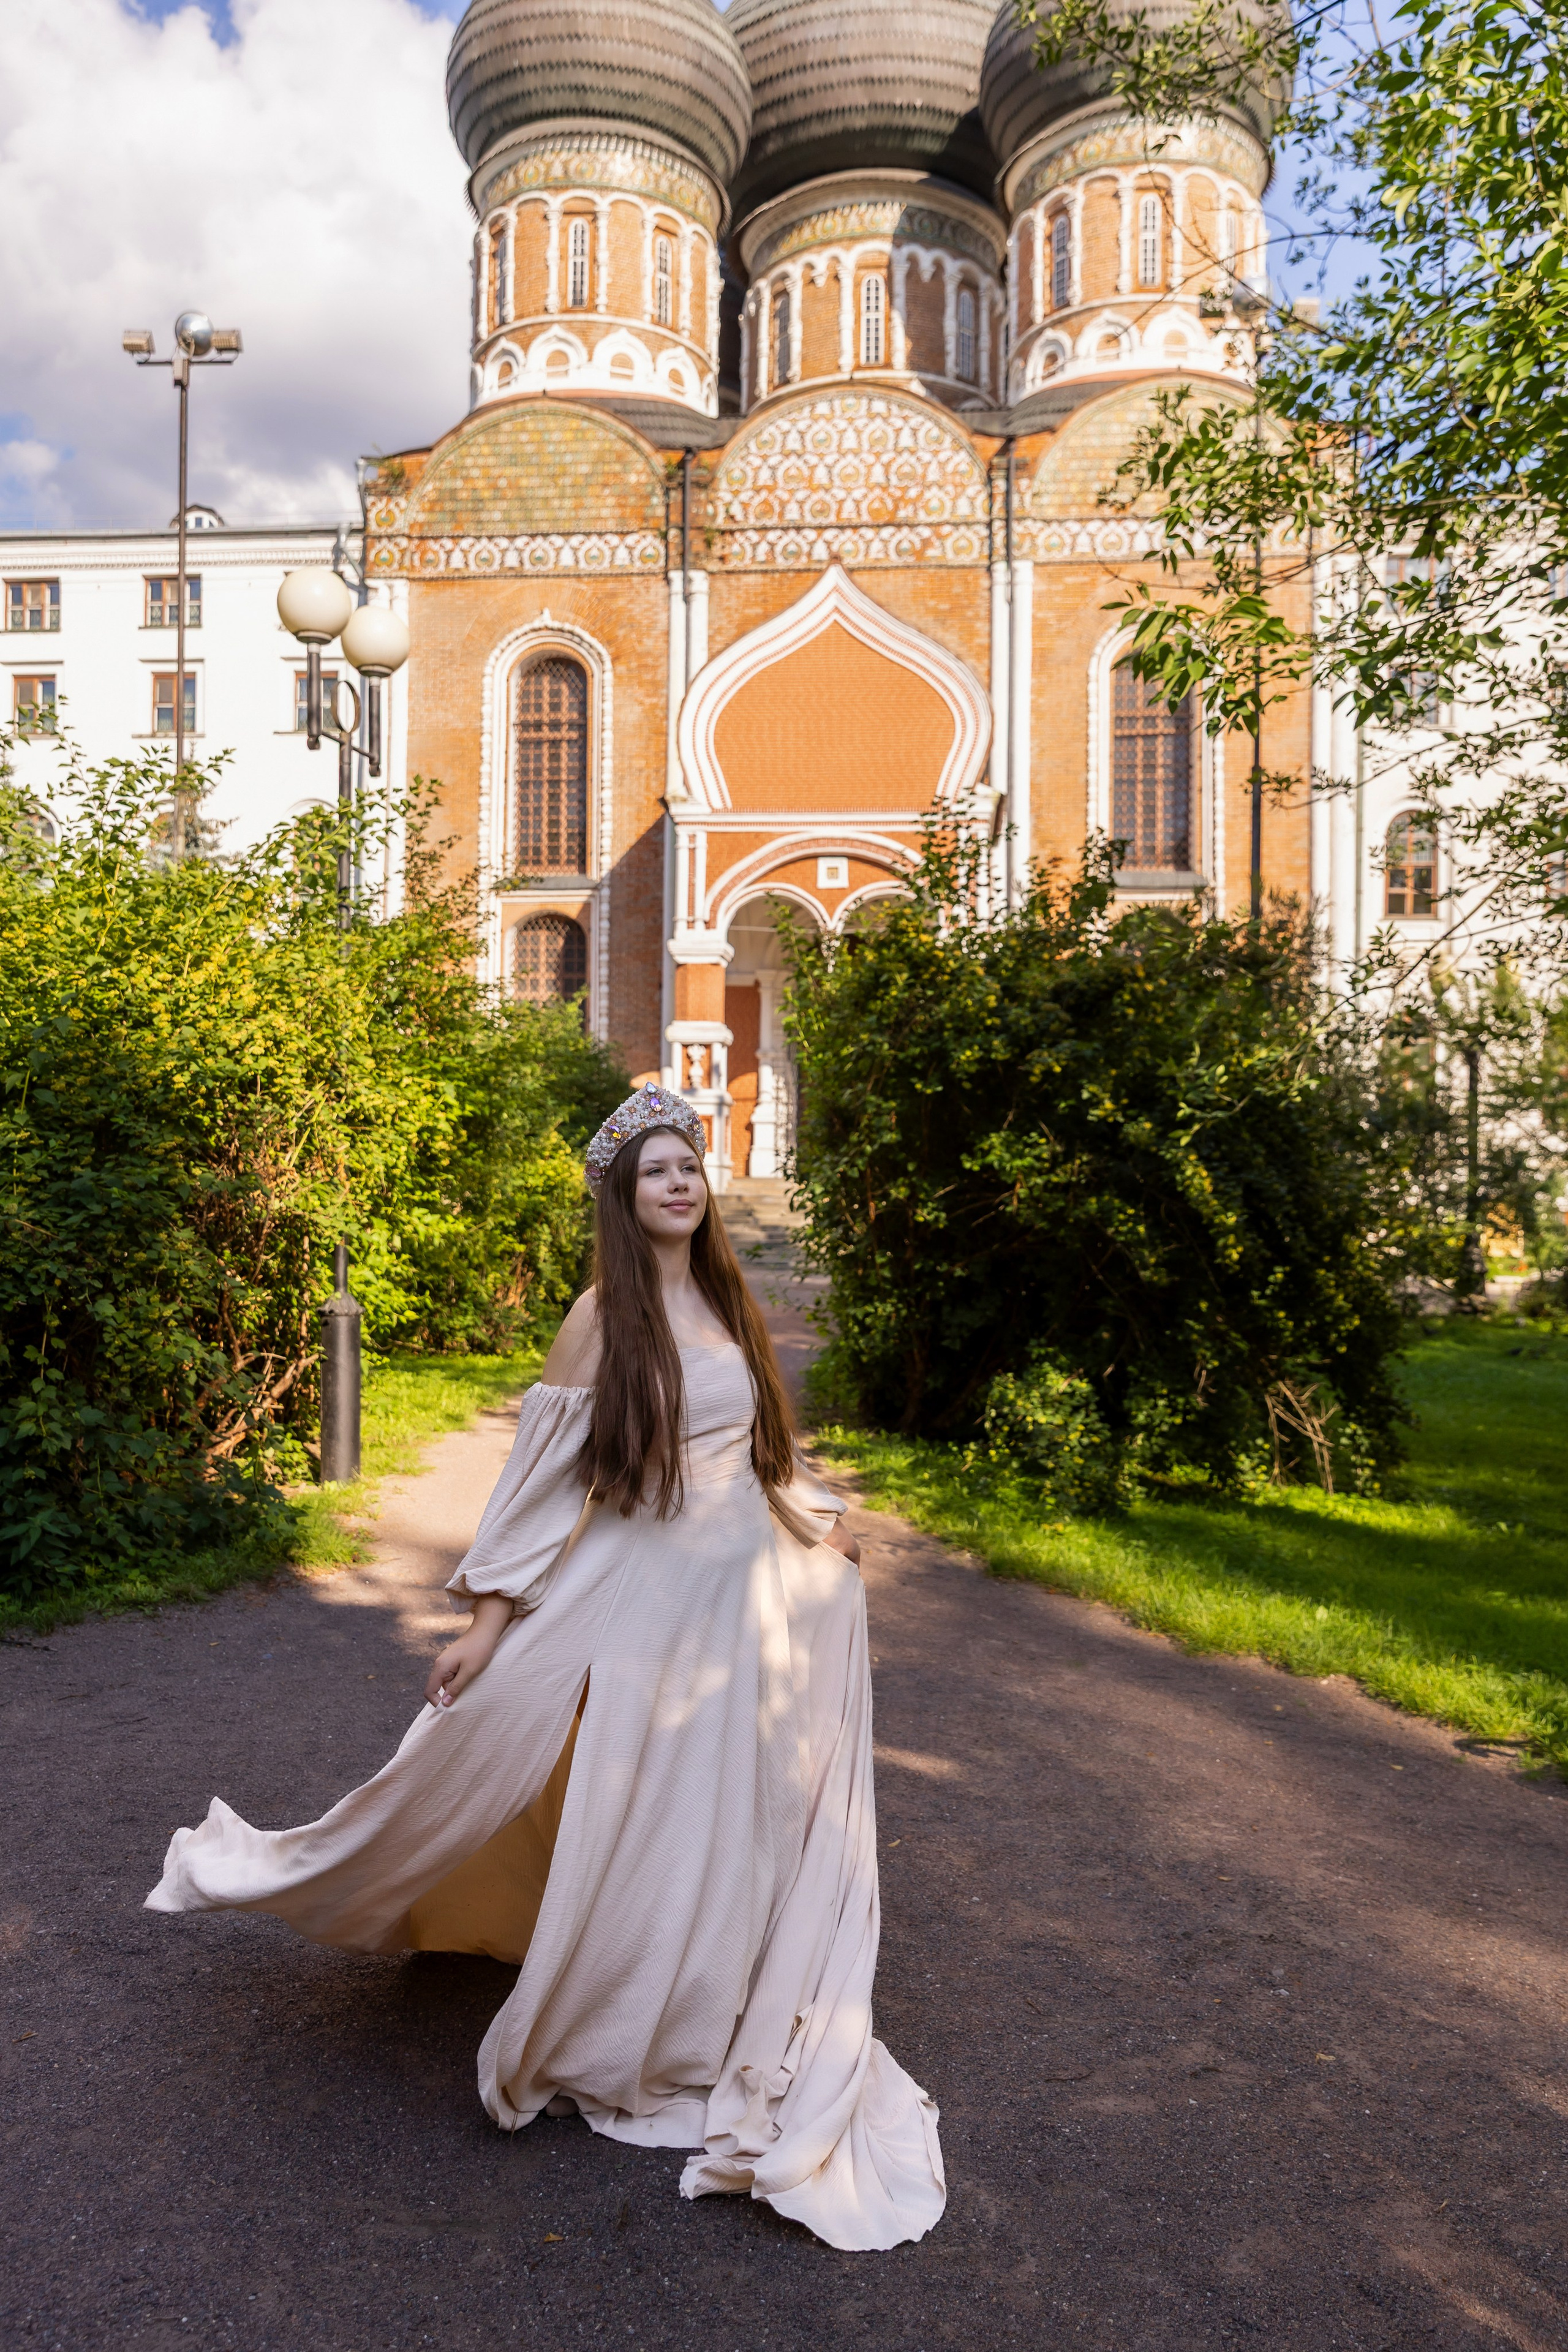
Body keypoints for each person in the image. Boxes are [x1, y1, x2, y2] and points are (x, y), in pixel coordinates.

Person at [146, 1083, 944, 2251]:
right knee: (605, 1776)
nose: (680, 1184)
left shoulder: (730, 1299)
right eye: (656, 1172)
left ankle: (713, 1994)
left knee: (740, 1811)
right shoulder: (601, 1315)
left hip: (751, 1601)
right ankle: (591, 1991)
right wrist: (487, 1614)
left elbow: (761, 1446)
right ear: (625, 1199)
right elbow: (546, 1481)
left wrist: (815, 1519)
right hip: (648, 1587)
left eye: (690, 1167)